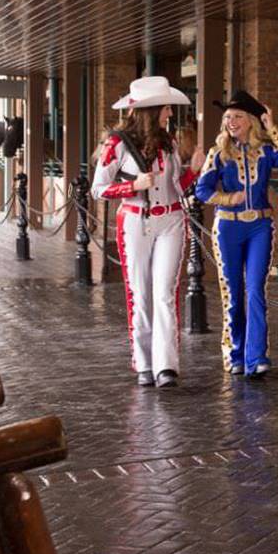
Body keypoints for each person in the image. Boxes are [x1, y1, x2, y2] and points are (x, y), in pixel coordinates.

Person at [91, 76, 204, 388]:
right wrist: (133, 186)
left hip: (171, 220)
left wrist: (193, 169)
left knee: (165, 293)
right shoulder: (115, 144)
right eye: (166, 107)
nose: (170, 112)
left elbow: (175, 188)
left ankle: (166, 366)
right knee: (140, 293)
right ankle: (144, 363)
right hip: (135, 221)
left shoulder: (167, 142)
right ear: (151, 110)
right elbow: (98, 189)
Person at [195, 90, 278, 379]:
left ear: (251, 120)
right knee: (233, 294)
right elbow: (201, 191)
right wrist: (229, 198)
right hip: (228, 227)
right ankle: (235, 354)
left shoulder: (266, 151)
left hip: (260, 228)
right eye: (228, 117)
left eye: (238, 116)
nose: (231, 121)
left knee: (255, 290)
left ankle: (257, 357)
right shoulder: (218, 153)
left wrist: (272, 127)